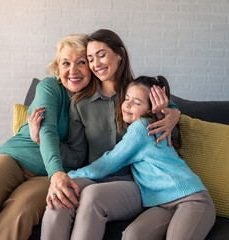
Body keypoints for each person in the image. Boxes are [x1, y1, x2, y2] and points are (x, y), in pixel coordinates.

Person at [28, 29, 181, 240]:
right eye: (90, 59)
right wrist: (38, 139)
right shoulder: (80, 103)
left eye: (101, 55)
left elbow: (172, 136)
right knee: (60, 195)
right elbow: (76, 155)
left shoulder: (140, 92)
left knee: (92, 197)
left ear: (120, 54)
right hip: (95, 177)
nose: (96, 63)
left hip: (136, 182)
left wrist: (171, 114)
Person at [0, 33, 97, 240]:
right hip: (17, 159)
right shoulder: (49, 87)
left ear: (91, 66)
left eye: (81, 62)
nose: (73, 70)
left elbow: (77, 156)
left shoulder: (93, 103)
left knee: (20, 212)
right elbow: (47, 130)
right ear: (57, 68)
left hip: (47, 175)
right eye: (66, 63)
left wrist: (42, 145)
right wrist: (55, 168)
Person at [68, 75, 216, 240]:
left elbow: (108, 163)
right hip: (161, 203)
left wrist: (68, 177)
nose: (127, 105)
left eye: (137, 103)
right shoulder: (147, 125)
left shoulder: (142, 127)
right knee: (133, 234)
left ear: (151, 110)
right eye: (126, 98)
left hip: (192, 199)